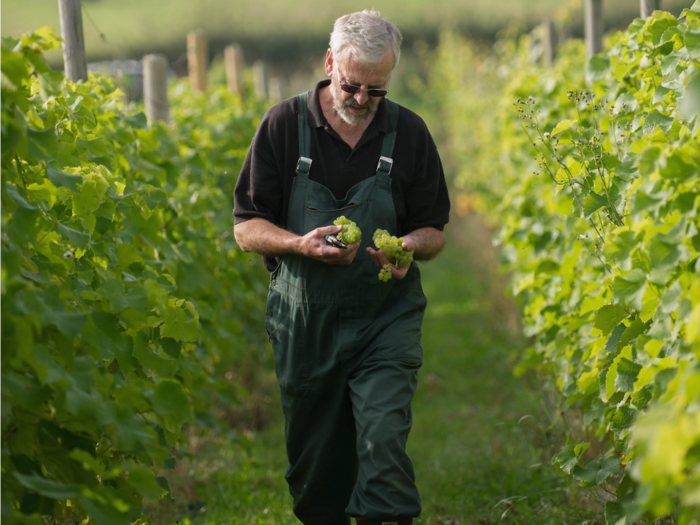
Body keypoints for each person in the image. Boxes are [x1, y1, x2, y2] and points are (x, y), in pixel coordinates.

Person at [233, 10, 450, 525]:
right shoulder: (283, 126)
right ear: (330, 62)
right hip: (305, 322)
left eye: (377, 91)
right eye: (352, 86)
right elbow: (246, 227)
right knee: (317, 477)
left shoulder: (410, 133)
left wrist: (406, 247)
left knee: (382, 439)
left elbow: (434, 231)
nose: (361, 101)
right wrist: (299, 244)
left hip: (384, 317)